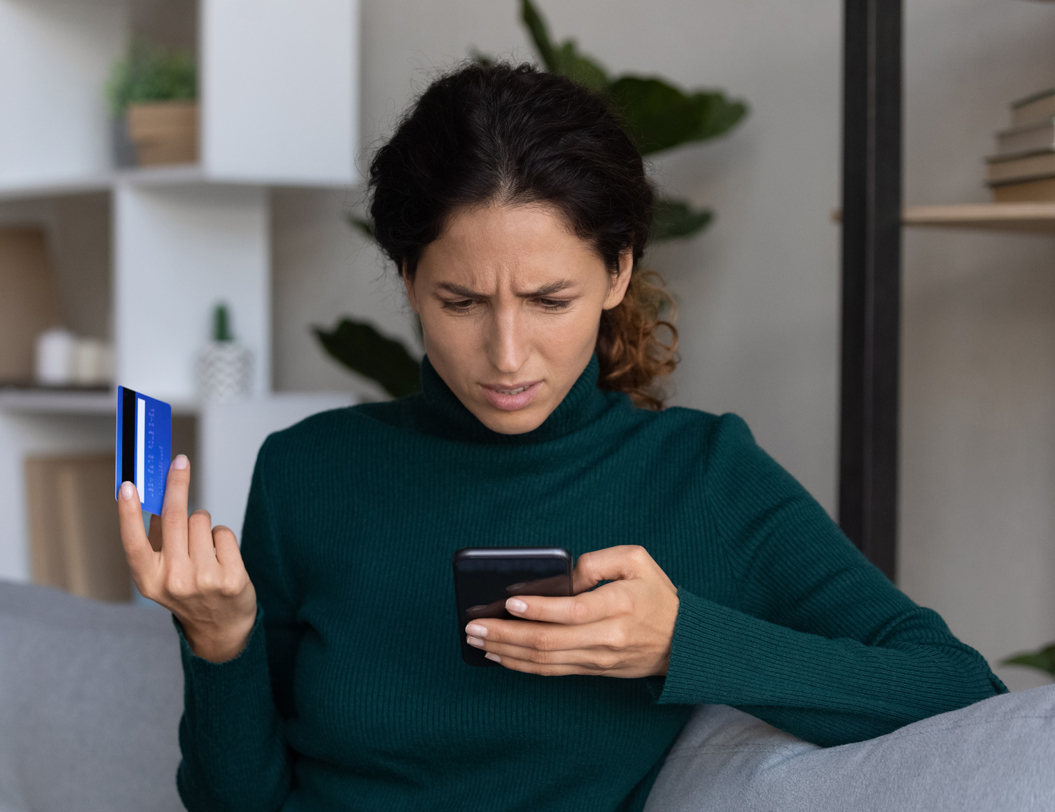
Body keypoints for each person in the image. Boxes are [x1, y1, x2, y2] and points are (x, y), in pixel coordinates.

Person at [115, 62, 1050, 812]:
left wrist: (682, 641)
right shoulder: (309, 470)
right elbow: (229, 800)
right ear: (406, 280)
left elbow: (950, 690)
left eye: (549, 299)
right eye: (460, 301)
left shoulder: (700, 475)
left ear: (615, 272)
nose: (507, 352)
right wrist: (220, 642)